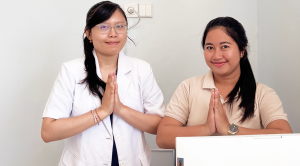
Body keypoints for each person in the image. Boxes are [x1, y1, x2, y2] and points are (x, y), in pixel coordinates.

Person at [41, 1, 165, 165]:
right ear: (89, 33)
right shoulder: (71, 71)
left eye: (120, 26)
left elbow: (159, 126)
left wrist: (120, 109)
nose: (113, 33)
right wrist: (102, 111)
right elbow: (48, 132)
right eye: (104, 27)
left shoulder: (142, 69)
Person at [156, 16, 292, 149]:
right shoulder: (188, 87)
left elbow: (286, 137)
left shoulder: (263, 93)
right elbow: (163, 138)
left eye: (225, 46)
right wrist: (206, 129)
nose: (216, 56)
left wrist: (229, 129)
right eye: (209, 47)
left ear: (241, 50)